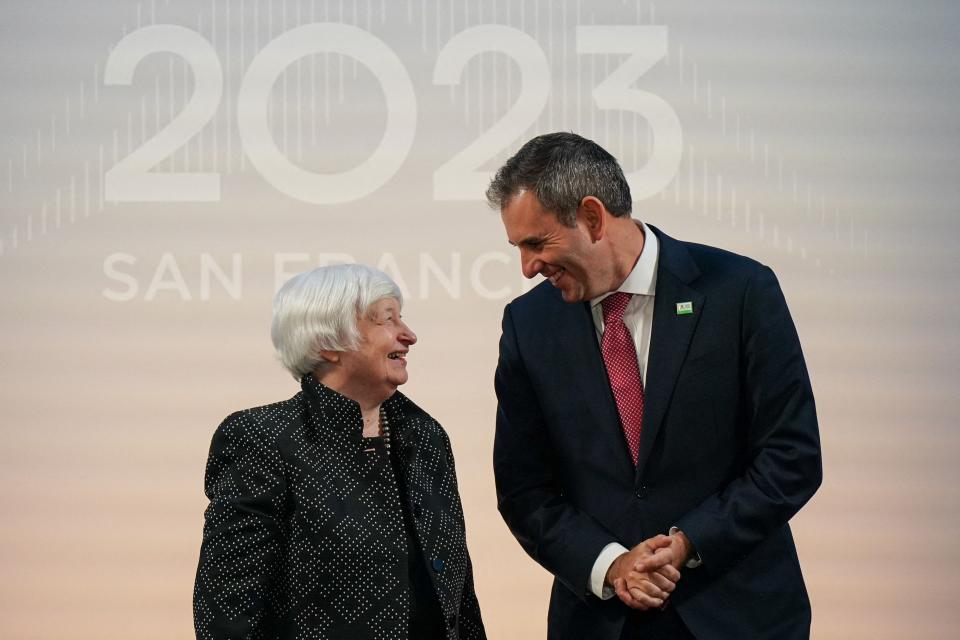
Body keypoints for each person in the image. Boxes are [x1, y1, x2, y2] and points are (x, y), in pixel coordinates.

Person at [489, 132, 822, 639]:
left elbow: (791, 456)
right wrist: (611, 565)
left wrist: (690, 541)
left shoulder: (740, 291)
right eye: (519, 248)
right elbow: (524, 491)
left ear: (594, 217)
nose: (528, 267)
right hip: (602, 621)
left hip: (738, 614)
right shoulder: (528, 325)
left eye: (537, 243)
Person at [193, 264, 485, 640]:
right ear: (328, 343)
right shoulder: (262, 438)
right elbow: (227, 612)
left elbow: (459, 603)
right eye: (386, 320)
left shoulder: (426, 437)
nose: (409, 335)